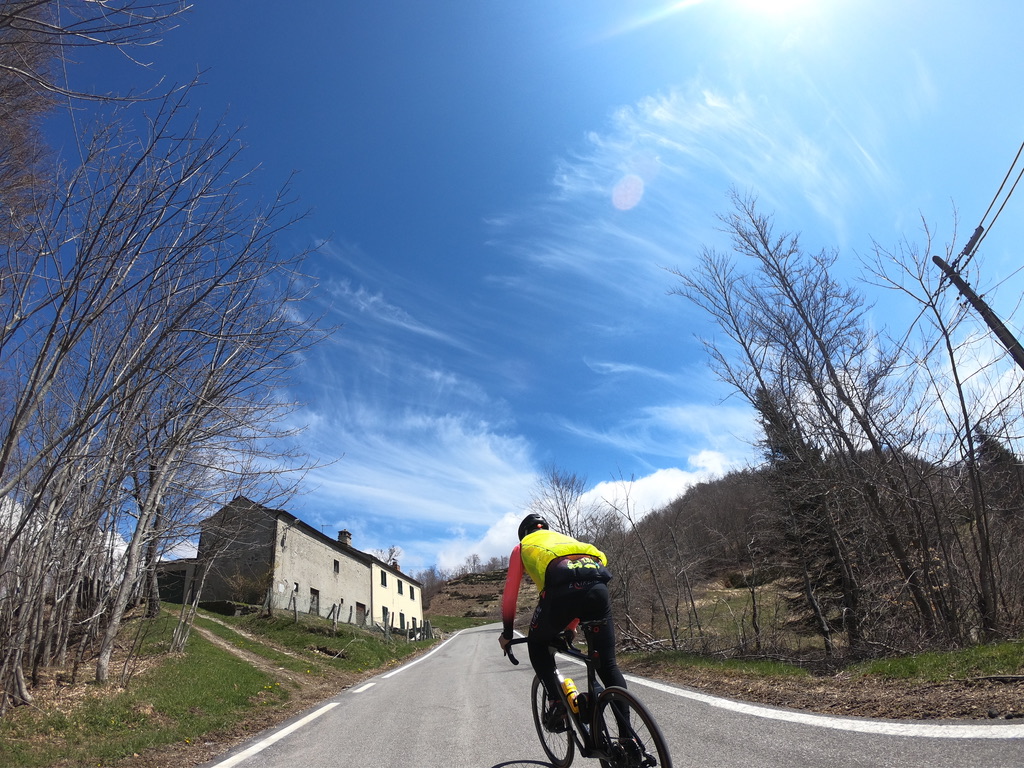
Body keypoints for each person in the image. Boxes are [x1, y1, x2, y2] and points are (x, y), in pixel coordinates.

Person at [498, 513, 627, 710]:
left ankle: (556, 702)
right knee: (607, 665)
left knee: (537, 644)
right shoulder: (566, 540)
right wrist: (572, 625)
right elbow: (586, 576)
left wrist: (507, 634)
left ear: (524, 533)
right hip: (597, 587)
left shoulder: (522, 546)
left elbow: (510, 596)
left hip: (560, 593)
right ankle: (627, 730)